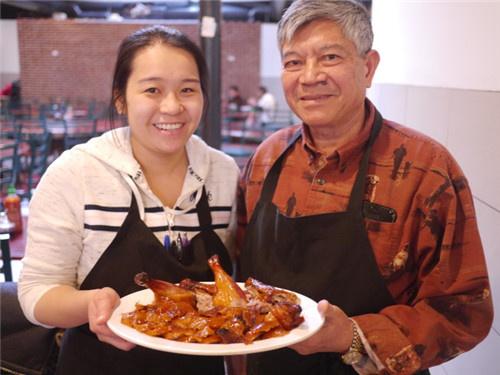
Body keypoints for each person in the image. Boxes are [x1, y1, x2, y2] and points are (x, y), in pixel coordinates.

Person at [236, 1, 493, 374]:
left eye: (329, 57)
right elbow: (244, 284)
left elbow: (465, 310)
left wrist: (353, 335)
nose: (309, 76)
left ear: (368, 67)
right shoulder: (267, 158)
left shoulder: (425, 169)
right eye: (293, 62)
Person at [18, 25, 240, 374]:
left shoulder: (225, 175)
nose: (172, 106)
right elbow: (35, 294)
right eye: (152, 90)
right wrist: (92, 304)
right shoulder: (77, 173)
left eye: (187, 90)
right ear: (121, 98)